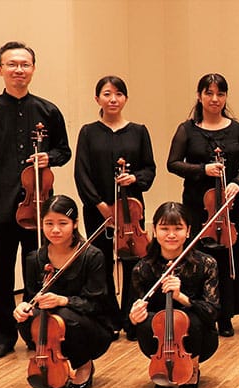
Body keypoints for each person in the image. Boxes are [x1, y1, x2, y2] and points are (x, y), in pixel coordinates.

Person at [0, 41, 72, 359]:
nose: (19, 70)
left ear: (33, 69)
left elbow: (64, 151)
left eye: (25, 64)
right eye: (12, 64)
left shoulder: (48, 111)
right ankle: (1, 336)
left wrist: (48, 157)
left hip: (39, 207)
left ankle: (33, 330)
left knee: (37, 270)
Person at [167, 73, 239, 336]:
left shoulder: (236, 129)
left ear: (225, 97)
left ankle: (226, 315)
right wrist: (203, 169)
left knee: (228, 259)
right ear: (200, 95)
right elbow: (173, 163)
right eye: (209, 93)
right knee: (200, 260)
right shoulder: (187, 129)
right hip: (198, 206)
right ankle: (202, 312)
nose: (214, 99)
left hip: (228, 205)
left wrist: (237, 183)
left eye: (220, 94)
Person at [73, 75, 156, 340]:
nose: (113, 99)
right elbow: (81, 173)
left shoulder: (139, 131)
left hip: (132, 210)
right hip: (97, 209)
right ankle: (108, 319)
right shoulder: (88, 132)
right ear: (97, 99)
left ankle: (132, 319)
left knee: (134, 263)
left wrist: (135, 179)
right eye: (107, 94)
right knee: (101, 262)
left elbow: (149, 169)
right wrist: (100, 206)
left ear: (126, 99)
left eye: (119, 94)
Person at [13, 196, 113, 388]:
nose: (55, 230)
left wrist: (63, 300)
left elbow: (96, 304)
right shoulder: (34, 259)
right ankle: (51, 363)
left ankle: (84, 364)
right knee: (27, 320)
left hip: (90, 325)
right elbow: (31, 297)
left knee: (64, 317)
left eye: (62, 223)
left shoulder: (92, 256)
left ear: (75, 224)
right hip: (53, 327)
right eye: (49, 224)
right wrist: (23, 307)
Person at [129, 202, 220, 388]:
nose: (171, 234)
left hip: (200, 335)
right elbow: (132, 316)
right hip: (160, 337)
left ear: (188, 231)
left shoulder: (206, 264)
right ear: (154, 230)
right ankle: (161, 365)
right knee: (146, 324)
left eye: (178, 228)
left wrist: (181, 297)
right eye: (164, 228)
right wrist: (134, 316)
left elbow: (212, 312)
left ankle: (192, 368)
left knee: (190, 320)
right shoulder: (141, 268)